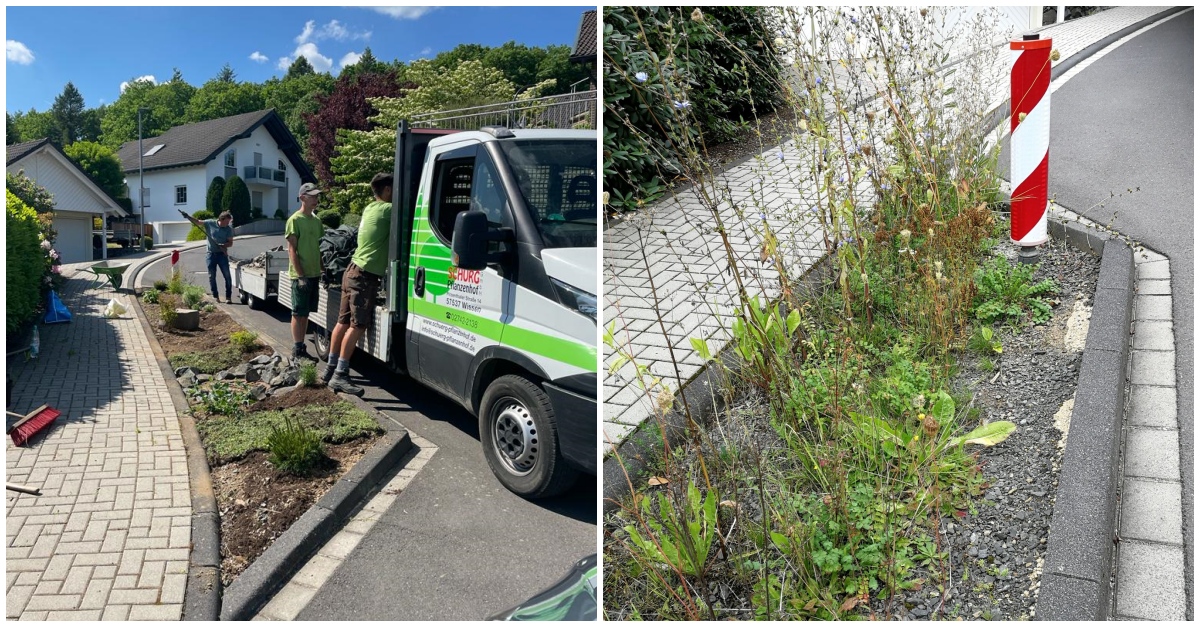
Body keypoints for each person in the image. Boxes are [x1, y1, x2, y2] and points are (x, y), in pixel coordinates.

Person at [324, 173, 393, 395]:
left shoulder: (370, 208)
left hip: (352, 270)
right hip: (364, 277)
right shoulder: (388, 210)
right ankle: (341, 375)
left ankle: (330, 369)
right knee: (358, 325)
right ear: (388, 190)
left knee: (342, 322)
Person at [285, 182, 325, 362]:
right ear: (302, 198)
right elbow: (292, 250)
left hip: (314, 274)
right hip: (300, 276)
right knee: (298, 312)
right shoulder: (295, 220)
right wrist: (300, 275)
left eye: (317, 196)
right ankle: (297, 350)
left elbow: (319, 248)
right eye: (312, 196)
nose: (316, 199)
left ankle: (301, 348)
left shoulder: (316, 221)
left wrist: (323, 269)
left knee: (306, 313)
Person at [180, 209, 234, 303]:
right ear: (221, 219)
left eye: (229, 222)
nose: (228, 224)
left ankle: (228, 297)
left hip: (222, 255)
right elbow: (197, 222)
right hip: (211, 255)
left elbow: (230, 243)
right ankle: (215, 296)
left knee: (227, 276)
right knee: (211, 276)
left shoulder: (228, 229)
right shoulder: (210, 223)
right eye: (227, 222)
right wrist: (188, 216)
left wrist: (223, 245)